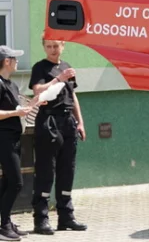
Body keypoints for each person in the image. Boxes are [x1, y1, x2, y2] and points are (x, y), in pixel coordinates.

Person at [29, 39, 87, 234]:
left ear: (63, 46)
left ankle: (66, 217)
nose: (53, 50)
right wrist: (58, 79)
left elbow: (73, 96)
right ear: (44, 47)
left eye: (56, 46)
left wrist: (80, 122)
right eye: (49, 46)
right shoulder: (40, 67)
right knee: (46, 171)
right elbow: (37, 90)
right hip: (49, 121)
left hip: (68, 122)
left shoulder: (67, 66)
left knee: (67, 170)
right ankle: (41, 219)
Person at [0, 45, 44, 241]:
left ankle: (6, 222)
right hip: (3, 139)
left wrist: (34, 103)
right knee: (16, 183)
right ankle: (4, 226)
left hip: (15, 138)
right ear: (6, 61)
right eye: (14, 58)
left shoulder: (12, 84)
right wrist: (16, 112)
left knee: (8, 182)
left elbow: (19, 109)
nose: (17, 61)